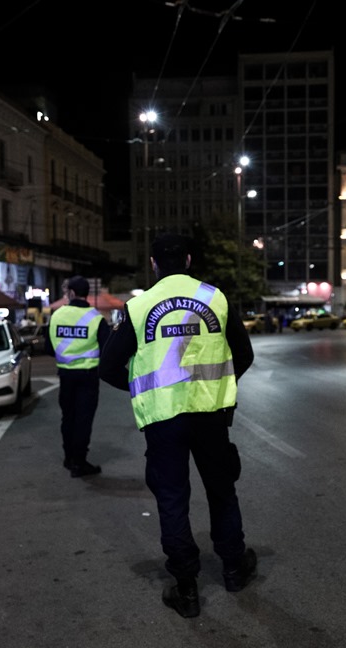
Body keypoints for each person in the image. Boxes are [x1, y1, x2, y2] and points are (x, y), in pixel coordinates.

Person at [99, 232, 257, 619]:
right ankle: (234, 569)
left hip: (163, 420)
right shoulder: (214, 298)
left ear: (153, 264)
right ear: (187, 259)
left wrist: (142, 388)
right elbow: (245, 354)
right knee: (221, 491)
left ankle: (186, 588)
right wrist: (219, 386)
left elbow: (107, 367)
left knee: (172, 500)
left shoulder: (139, 308)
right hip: (210, 416)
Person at [49, 275, 110, 478]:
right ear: (86, 294)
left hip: (65, 376)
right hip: (88, 377)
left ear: (72, 293)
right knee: (83, 420)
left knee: (68, 418)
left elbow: (49, 347)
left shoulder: (57, 315)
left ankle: (68, 458)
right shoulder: (96, 318)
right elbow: (107, 348)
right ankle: (79, 462)